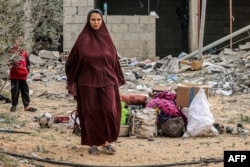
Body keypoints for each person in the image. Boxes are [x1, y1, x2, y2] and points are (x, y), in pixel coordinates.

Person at [65, 9, 125, 155]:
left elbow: (114, 60)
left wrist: (116, 77)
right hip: (87, 81)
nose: (96, 22)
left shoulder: (106, 38)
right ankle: (93, 143)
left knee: (109, 110)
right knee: (91, 112)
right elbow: (71, 61)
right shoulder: (82, 39)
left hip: (107, 80)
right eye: (93, 20)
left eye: (98, 19)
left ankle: (106, 141)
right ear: (88, 21)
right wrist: (74, 77)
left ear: (102, 21)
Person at [8, 36, 37, 112]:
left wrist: (27, 71)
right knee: (15, 90)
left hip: (23, 75)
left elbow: (27, 63)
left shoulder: (24, 52)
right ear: (14, 41)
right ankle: (14, 105)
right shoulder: (12, 51)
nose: (20, 42)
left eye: (21, 40)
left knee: (25, 90)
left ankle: (26, 106)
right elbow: (9, 62)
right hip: (15, 75)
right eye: (18, 40)